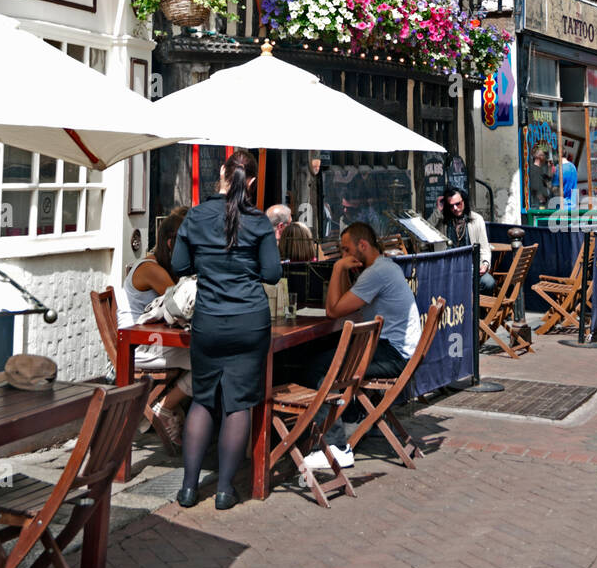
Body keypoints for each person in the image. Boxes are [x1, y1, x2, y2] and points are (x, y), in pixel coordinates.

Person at [172, 150, 281, 509]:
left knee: (203, 399)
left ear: (221, 173)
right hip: (250, 321)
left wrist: (208, 263)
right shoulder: (259, 221)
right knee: (238, 403)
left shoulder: (196, 215)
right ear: (252, 182)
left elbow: (179, 265)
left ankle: (188, 489)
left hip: (209, 321)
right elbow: (272, 274)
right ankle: (223, 491)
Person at [299, 222, 421, 471]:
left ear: (362, 245)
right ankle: (352, 416)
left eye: (346, 250)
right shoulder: (385, 267)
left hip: (394, 354)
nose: (344, 255)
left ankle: (336, 447)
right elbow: (345, 303)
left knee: (321, 369)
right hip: (399, 351)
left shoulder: (375, 273)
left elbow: (333, 310)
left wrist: (337, 268)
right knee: (324, 359)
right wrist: (344, 270)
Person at [118, 207, 193, 443]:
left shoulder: (159, 265)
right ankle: (165, 407)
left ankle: (168, 408)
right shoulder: (151, 270)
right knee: (211, 361)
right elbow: (180, 303)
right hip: (138, 348)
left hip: (149, 342)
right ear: (171, 244)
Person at [429, 186, 494, 293]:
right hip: (446, 269)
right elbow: (426, 230)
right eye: (451, 206)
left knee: (488, 282)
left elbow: (484, 247)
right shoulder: (441, 220)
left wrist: (485, 264)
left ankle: (473, 303)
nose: (455, 208)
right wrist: (438, 211)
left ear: (464, 201)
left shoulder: (476, 219)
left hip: (470, 267)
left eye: (458, 204)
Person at [528, 142, 555, 209]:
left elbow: (549, 179)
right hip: (538, 206)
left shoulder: (540, 170)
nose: (546, 157)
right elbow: (535, 187)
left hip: (542, 205)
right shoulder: (534, 169)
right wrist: (543, 199)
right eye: (545, 154)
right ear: (539, 157)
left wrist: (550, 167)